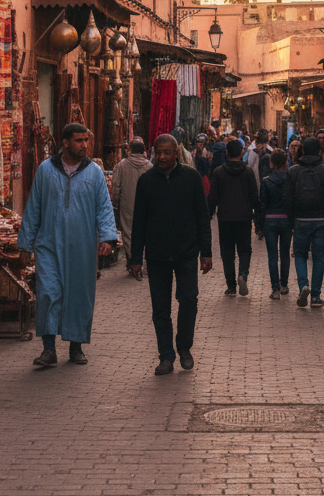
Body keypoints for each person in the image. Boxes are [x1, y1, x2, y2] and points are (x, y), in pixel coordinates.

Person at [18, 123, 118, 369]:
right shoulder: (45, 170)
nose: (84, 145)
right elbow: (34, 208)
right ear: (64, 142)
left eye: (86, 140)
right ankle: (49, 349)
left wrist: (107, 237)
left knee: (79, 295)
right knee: (48, 293)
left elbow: (104, 208)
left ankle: (76, 347)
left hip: (82, 246)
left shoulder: (94, 172)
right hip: (48, 244)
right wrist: (25, 244)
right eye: (78, 140)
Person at [128, 134, 212, 375]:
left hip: (186, 253)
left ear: (176, 153)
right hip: (157, 255)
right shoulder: (146, 181)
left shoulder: (191, 178)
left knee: (188, 300)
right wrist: (135, 258)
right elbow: (139, 222)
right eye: (158, 152)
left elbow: (202, 217)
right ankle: (166, 356)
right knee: (160, 309)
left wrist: (206, 252)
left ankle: (184, 346)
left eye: (167, 152)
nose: (162, 157)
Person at [283, 136, 324, 308]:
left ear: (303, 151)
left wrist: (291, 220)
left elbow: (288, 198)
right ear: (319, 151)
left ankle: (303, 285)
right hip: (321, 219)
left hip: (301, 219)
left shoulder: (293, 171)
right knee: (318, 257)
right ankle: (315, 296)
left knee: (300, 254)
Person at [208, 138, 260, 295]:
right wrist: (258, 220)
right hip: (244, 217)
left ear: (226, 153)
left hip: (225, 218)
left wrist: (207, 216)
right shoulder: (248, 172)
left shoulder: (218, 172)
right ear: (242, 153)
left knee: (227, 252)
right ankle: (243, 274)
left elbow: (212, 198)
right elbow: (254, 197)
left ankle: (231, 286)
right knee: (245, 250)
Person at [111, 137, 152, 270]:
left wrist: (115, 204)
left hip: (126, 204)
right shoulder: (150, 167)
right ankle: (142, 260)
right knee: (145, 231)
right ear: (143, 150)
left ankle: (132, 259)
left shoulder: (121, 165)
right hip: (146, 205)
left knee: (128, 232)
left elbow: (116, 187)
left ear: (130, 150)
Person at [257, 148, 292, 298]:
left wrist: (259, 225)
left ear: (272, 164)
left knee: (272, 256)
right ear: (285, 162)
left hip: (270, 221)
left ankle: (275, 289)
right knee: (285, 254)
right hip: (286, 220)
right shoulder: (290, 180)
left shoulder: (266, 182)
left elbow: (262, 205)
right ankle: (284, 285)